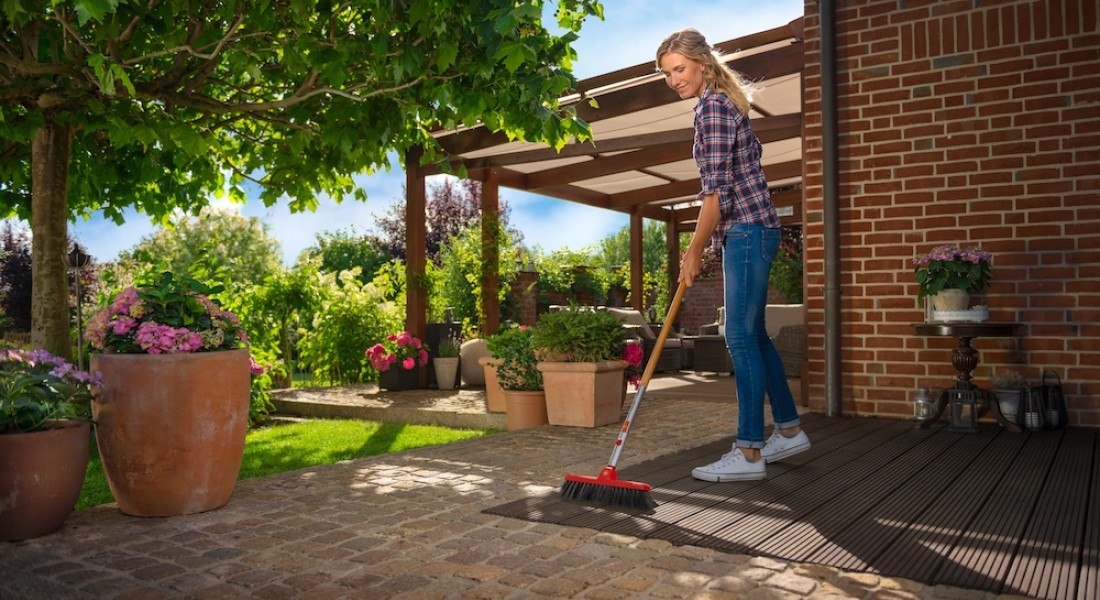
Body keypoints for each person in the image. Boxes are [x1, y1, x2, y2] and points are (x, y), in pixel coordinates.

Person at [657, 28, 809, 482]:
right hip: (752, 231)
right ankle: (789, 428)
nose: (673, 79)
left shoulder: (715, 109)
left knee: (739, 339)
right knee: (754, 336)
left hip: (745, 231)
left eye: (679, 69)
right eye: (666, 73)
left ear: (702, 63)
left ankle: (748, 454)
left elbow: (716, 195)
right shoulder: (717, 104)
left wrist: (693, 250)